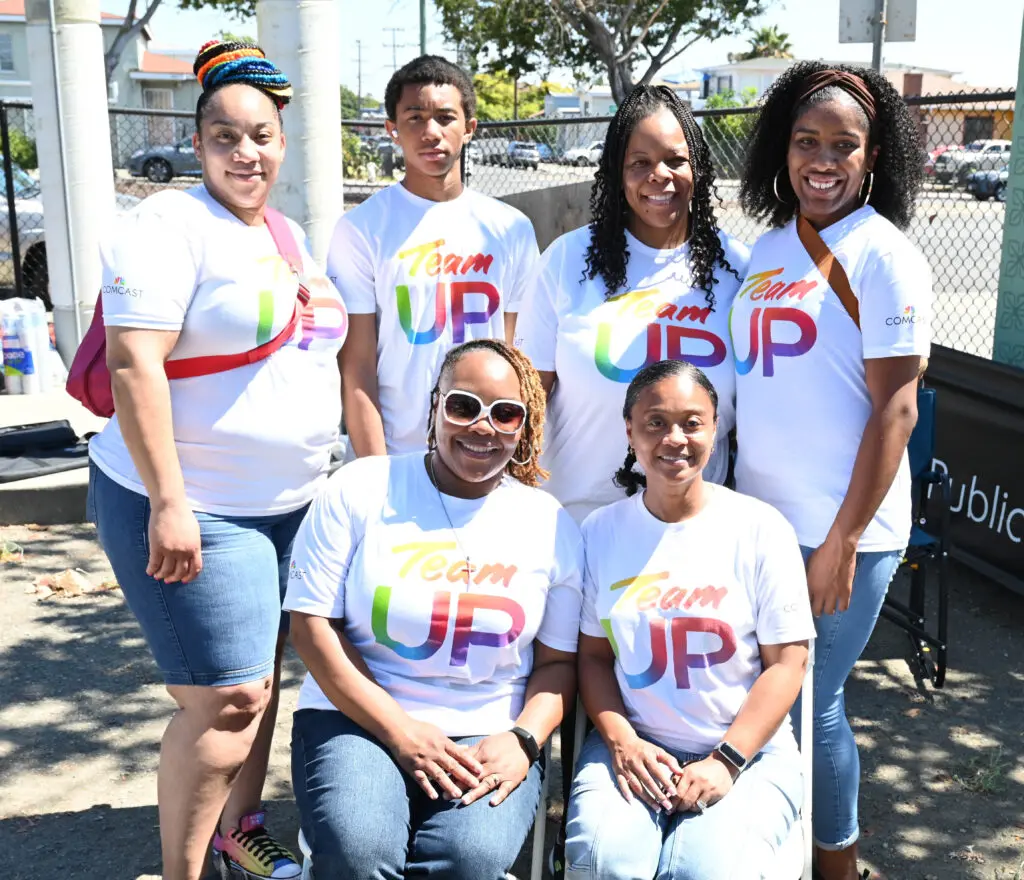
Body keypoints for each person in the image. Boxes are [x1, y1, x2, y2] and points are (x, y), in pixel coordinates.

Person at [87, 40, 348, 880]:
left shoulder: (284, 233)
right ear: (197, 144)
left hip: (288, 504)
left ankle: (241, 827)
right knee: (228, 698)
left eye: (263, 136)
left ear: (282, 140)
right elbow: (134, 365)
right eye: (227, 137)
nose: (248, 152)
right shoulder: (167, 223)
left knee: (258, 682)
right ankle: (182, 871)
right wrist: (169, 502)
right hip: (197, 500)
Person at [734, 61, 931, 880]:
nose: (822, 160)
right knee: (771, 701)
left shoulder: (885, 254)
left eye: (843, 145)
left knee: (812, 701)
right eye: (806, 142)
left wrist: (844, 540)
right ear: (783, 150)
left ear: (873, 155)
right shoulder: (767, 247)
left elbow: (897, 411)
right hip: (763, 524)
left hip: (840, 532)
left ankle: (836, 862)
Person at [284, 339, 583, 880]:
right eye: (463, 406)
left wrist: (523, 740)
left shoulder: (550, 522)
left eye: (504, 414)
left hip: (488, 729)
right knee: (360, 854)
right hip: (359, 716)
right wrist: (400, 731)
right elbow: (310, 627)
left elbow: (559, 665)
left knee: (466, 862)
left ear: (524, 425)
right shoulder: (361, 487)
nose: (482, 427)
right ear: (434, 406)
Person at [564, 360, 815, 880]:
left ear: (716, 427)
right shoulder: (600, 532)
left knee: (704, 873)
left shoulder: (760, 529)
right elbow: (592, 658)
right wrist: (622, 742)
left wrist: (726, 760)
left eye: (692, 422)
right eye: (655, 422)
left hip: (747, 754)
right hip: (635, 745)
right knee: (605, 862)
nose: (674, 438)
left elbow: (788, 665)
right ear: (629, 430)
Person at [516, 84, 748, 524]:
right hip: (572, 524)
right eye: (639, 163)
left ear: (697, 167)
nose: (658, 175)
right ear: (617, 175)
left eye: (675, 160)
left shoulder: (739, 270)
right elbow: (530, 400)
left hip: (689, 533)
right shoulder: (566, 262)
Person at [331, 55, 539, 459]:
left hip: (488, 450)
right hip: (400, 454)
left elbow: (521, 357)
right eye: (414, 117)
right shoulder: (359, 229)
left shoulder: (512, 228)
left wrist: (514, 457)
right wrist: (377, 471)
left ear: (469, 128)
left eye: (445, 117)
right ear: (392, 129)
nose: (431, 132)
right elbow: (356, 368)